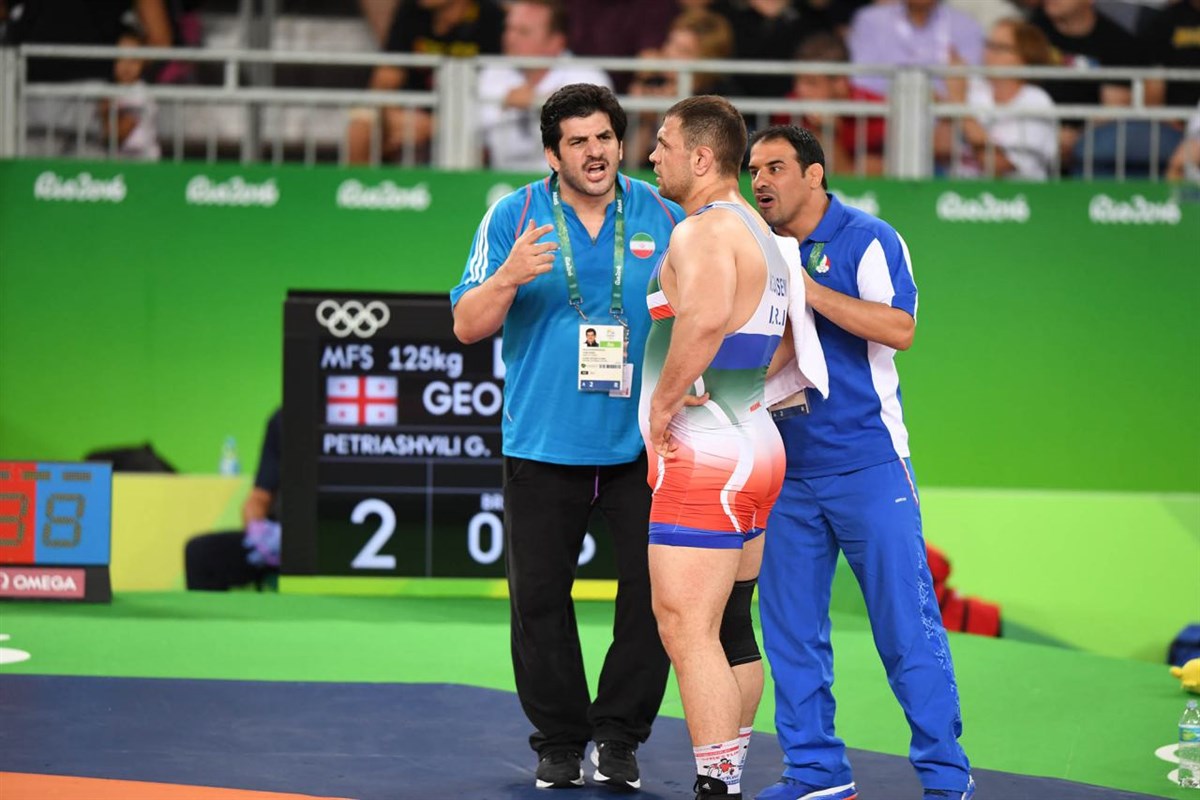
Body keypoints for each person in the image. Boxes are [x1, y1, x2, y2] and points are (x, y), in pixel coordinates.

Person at [450, 83, 682, 792]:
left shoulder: (665, 215)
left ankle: (619, 736)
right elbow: (466, 324)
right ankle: (558, 741)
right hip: (543, 444)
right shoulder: (514, 215)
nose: (594, 152)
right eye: (578, 142)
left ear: (621, 142)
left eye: (604, 137)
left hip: (644, 445)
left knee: (655, 598)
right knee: (540, 602)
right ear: (553, 154)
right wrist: (509, 276)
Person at [746, 125, 974, 800]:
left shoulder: (867, 238)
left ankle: (946, 776)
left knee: (907, 628)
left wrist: (807, 291)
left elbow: (899, 328)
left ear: (814, 174)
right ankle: (816, 771)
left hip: (869, 465)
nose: (760, 181)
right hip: (784, 469)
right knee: (791, 633)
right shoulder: (755, 247)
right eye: (753, 170)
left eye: (775, 167)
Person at [642, 95, 789, 800]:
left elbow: (700, 323)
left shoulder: (704, 231)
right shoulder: (761, 232)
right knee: (729, 625)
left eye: (663, 144)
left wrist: (663, 406)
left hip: (708, 454)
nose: (652, 156)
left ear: (701, 158)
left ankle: (717, 786)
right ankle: (725, 776)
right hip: (754, 440)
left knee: (685, 626)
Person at [347, 0, 504, 164]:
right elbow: (385, 80)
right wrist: (392, 113)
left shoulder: (491, 17)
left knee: (472, 137)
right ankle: (359, 181)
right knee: (361, 127)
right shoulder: (410, 10)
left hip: (470, 116)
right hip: (412, 112)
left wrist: (441, 124)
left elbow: (500, 87)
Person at [477, 0, 611, 171]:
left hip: (568, 180)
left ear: (556, 41)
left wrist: (540, 103)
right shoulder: (491, 74)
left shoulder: (588, 77)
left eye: (523, 32)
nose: (510, 38)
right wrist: (503, 106)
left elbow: (593, 136)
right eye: (508, 28)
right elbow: (472, 133)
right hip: (500, 180)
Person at [939, 18, 1057, 179]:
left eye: (999, 47)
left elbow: (998, 166)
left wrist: (960, 105)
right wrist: (951, 98)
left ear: (1024, 58)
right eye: (988, 44)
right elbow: (940, 149)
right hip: (960, 192)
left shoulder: (1037, 102)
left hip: (1016, 194)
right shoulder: (973, 90)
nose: (988, 53)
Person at [185, 409, 282, 592]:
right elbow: (259, 497)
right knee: (200, 553)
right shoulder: (283, 419)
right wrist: (258, 533)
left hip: (329, 542)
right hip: (281, 540)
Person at [847, 0, 983, 98]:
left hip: (946, 122)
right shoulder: (870, 21)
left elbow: (974, 86)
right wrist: (912, 97)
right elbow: (862, 80)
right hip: (884, 121)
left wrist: (938, 100)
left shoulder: (966, 26)